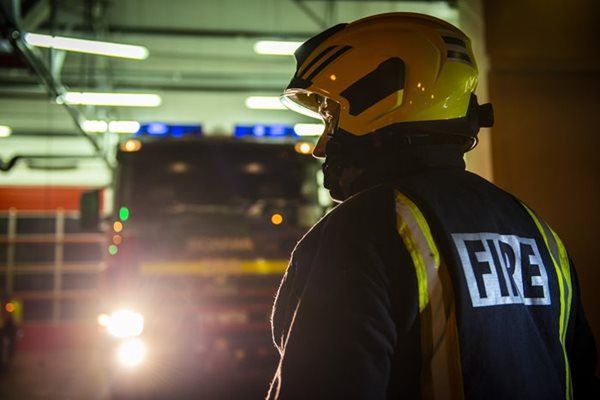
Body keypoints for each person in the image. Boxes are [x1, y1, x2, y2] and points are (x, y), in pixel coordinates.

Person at [267, 12, 598, 400]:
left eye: (332, 118)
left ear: (380, 101)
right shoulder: (536, 230)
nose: (324, 146)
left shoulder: (362, 229)